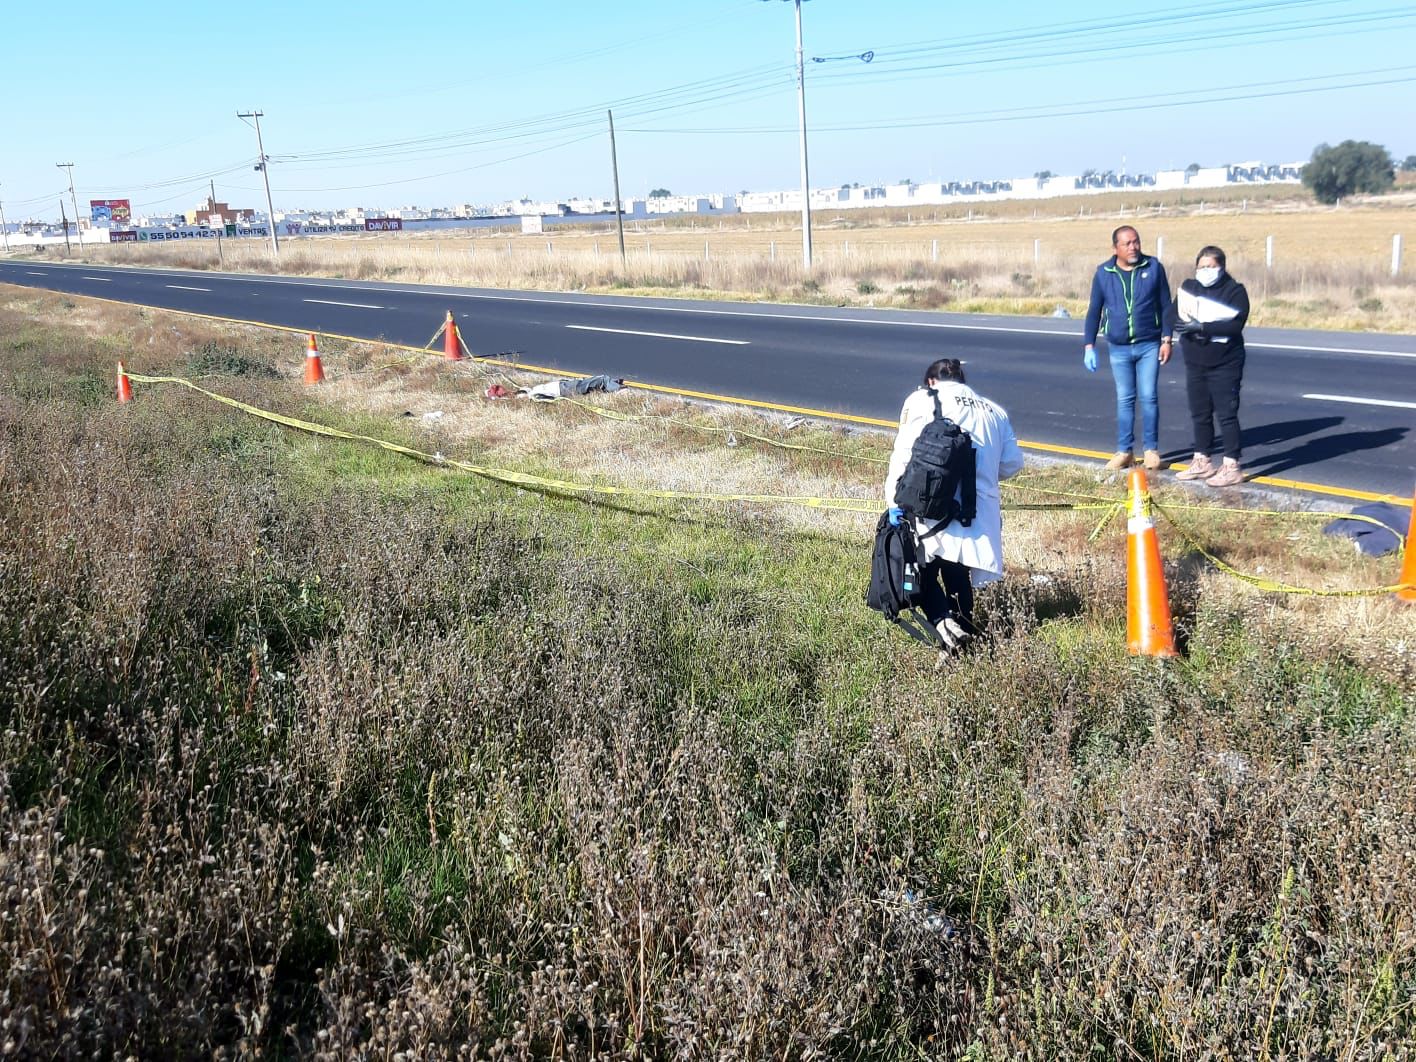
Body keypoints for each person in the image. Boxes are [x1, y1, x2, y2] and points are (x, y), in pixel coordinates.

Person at [885, 358, 1024, 659]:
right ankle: (961, 642)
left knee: (918, 571)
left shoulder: (922, 399)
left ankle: (943, 624)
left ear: (931, 381)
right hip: (975, 511)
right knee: (958, 575)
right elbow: (1013, 464)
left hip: (931, 504)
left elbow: (904, 453)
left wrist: (892, 500)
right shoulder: (993, 410)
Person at [1082, 225, 1176, 471]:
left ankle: (1151, 451)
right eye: (1127, 243)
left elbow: (1166, 306)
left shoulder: (1153, 268)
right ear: (1116, 248)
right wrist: (1089, 345)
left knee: (1149, 397)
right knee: (1125, 399)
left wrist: (1167, 339)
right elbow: (1094, 310)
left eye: (1136, 241)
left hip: (1149, 344)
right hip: (1119, 347)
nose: (1133, 247)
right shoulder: (1104, 273)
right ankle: (1124, 451)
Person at [1173, 245, 1250, 487]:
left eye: (1212, 266)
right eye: (1202, 266)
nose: (1206, 271)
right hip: (1195, 360)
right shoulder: (1189, 287)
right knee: (1200, 412)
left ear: (1222, 267)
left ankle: (1231, 465)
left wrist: (1204, 327)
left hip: (1225, 361)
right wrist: (1179, 324)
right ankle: (1202, 460)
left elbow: (1235, 325)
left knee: (1226, 414)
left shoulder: (1235, 291)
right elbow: (1171, 313)